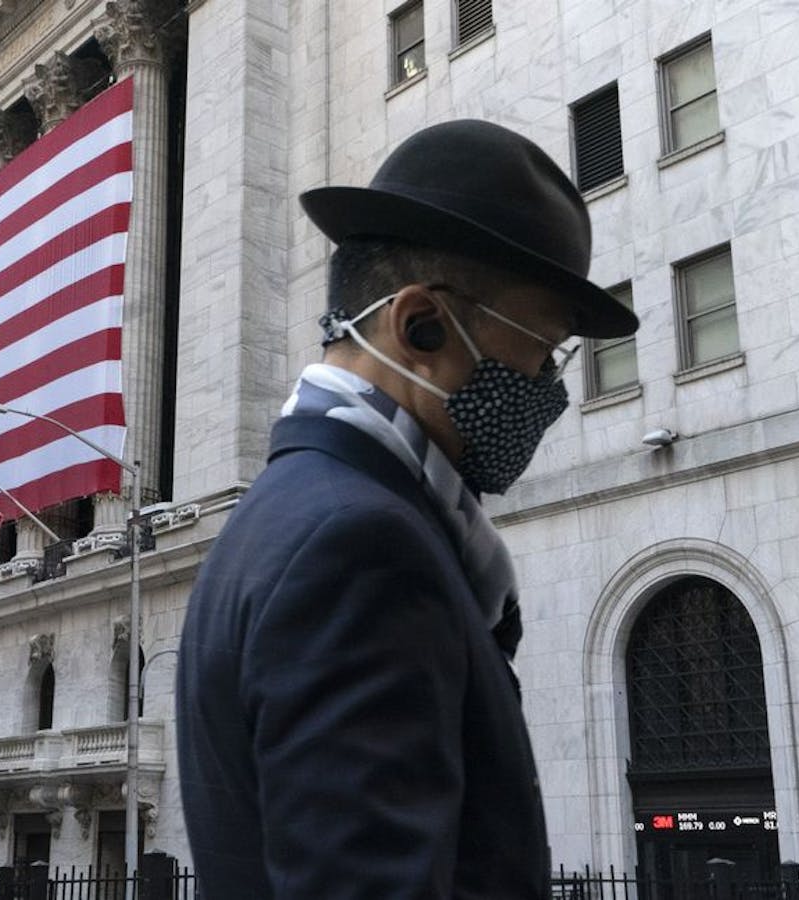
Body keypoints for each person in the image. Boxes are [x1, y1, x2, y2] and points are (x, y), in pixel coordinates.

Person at [176, 119, 639, 899]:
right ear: (421, 326)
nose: (550, 388)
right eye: (544, 348)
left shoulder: (293, 515)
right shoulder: (358, 548)